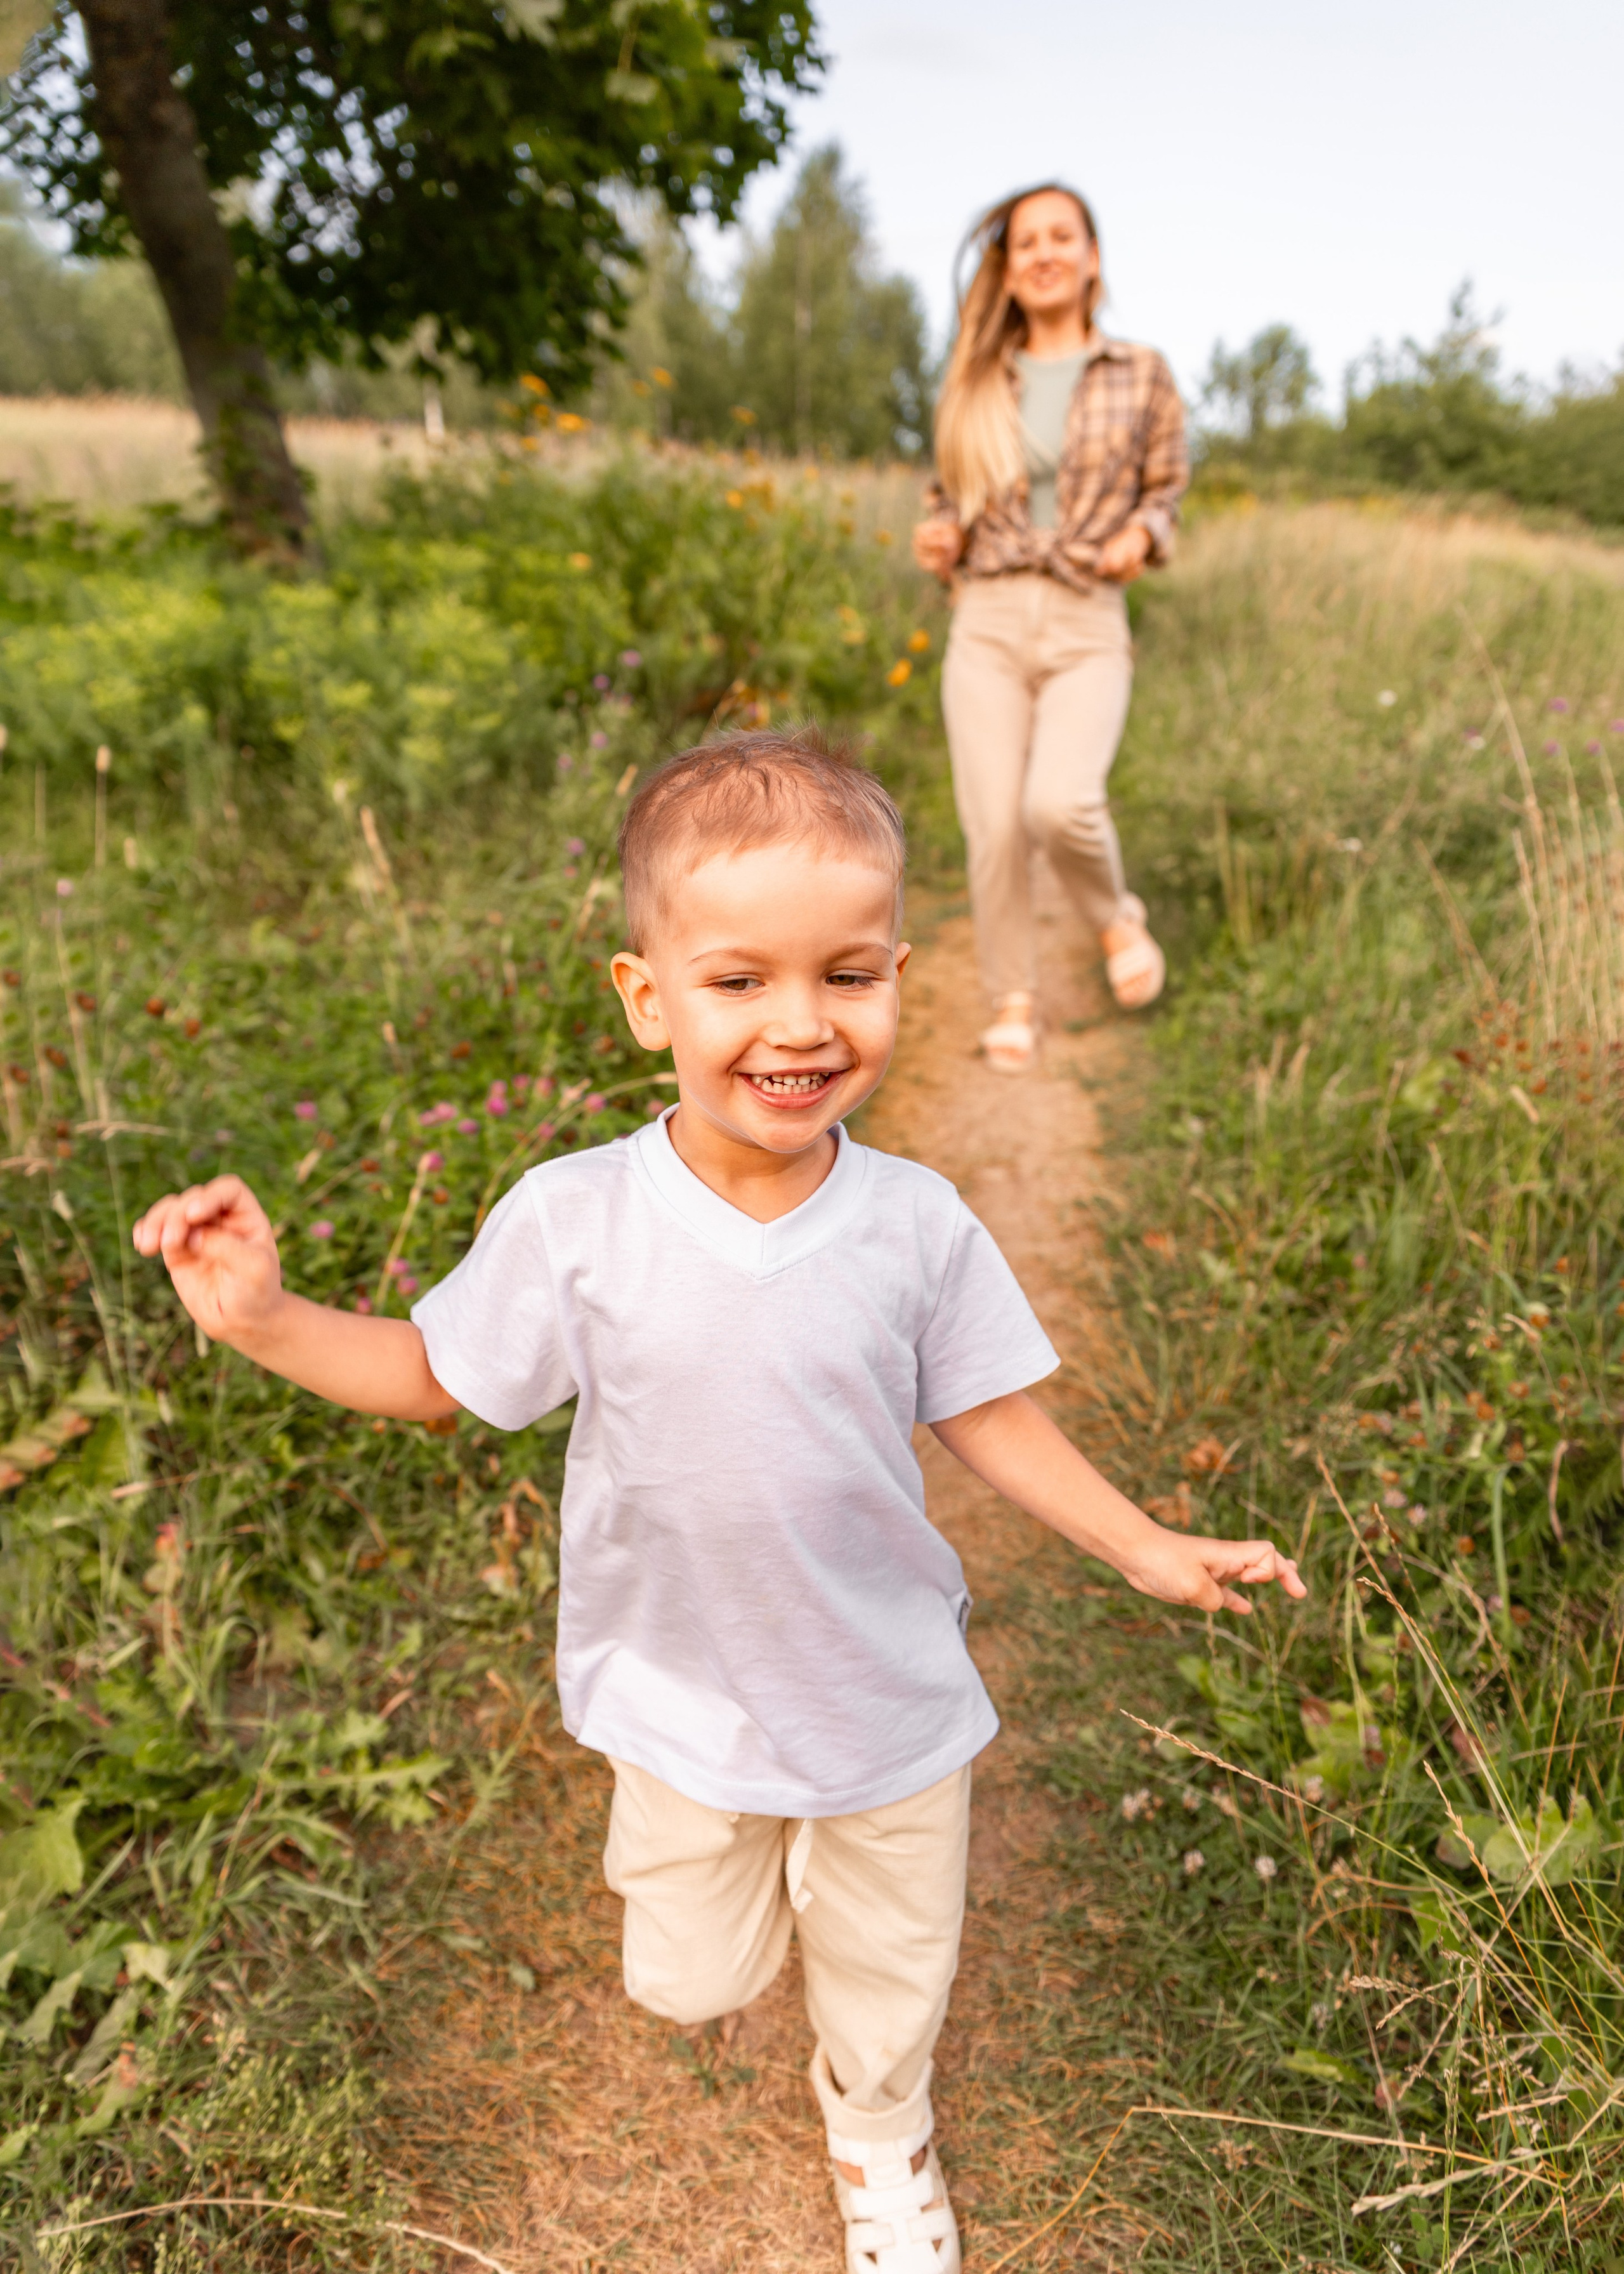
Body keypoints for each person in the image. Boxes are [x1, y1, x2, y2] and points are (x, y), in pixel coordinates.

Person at [133, 728, 1302, 2274]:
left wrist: (1143, 1544)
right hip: (676, 1688)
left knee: (889, 1963)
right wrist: (268, 1320)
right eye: (739, 980)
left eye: (849, 975)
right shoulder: (576, 1220)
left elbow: (984, 1414)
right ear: (646, 998)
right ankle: (769, 1887)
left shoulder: (914, 1227)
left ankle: (880, 2130)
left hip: (882, 1683)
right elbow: (435, 1374)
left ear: (897, 976)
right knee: (690, 1978)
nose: (800, 1025)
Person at [914, 184, 1189, 1072]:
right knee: (993, 821)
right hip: (987, 616)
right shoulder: (974, 380)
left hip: (1085, 616)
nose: (1042, 252)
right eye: (1024, 240)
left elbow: (1167, 490)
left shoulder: (1140, 371)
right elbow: (945, 495)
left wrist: (1140, 539)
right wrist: (940, 532)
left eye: (1060, 236)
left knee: (1059, 803)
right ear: (1007, 266)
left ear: (1092, 257)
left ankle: (1115, 920)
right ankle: (1013, 999)